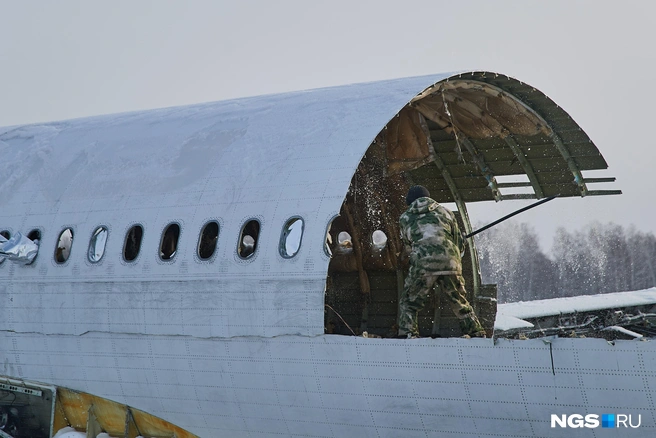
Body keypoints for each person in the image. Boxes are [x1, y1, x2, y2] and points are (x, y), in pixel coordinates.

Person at [397, 185, 485, 338]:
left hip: (423, 264)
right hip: (450, 262)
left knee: (409, 302)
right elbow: (458, 242)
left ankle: (408, 334)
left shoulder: (405, 217)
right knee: (458, 300)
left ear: (410, 201)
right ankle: (475, 331)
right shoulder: (446, 212)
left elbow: (409, 246)